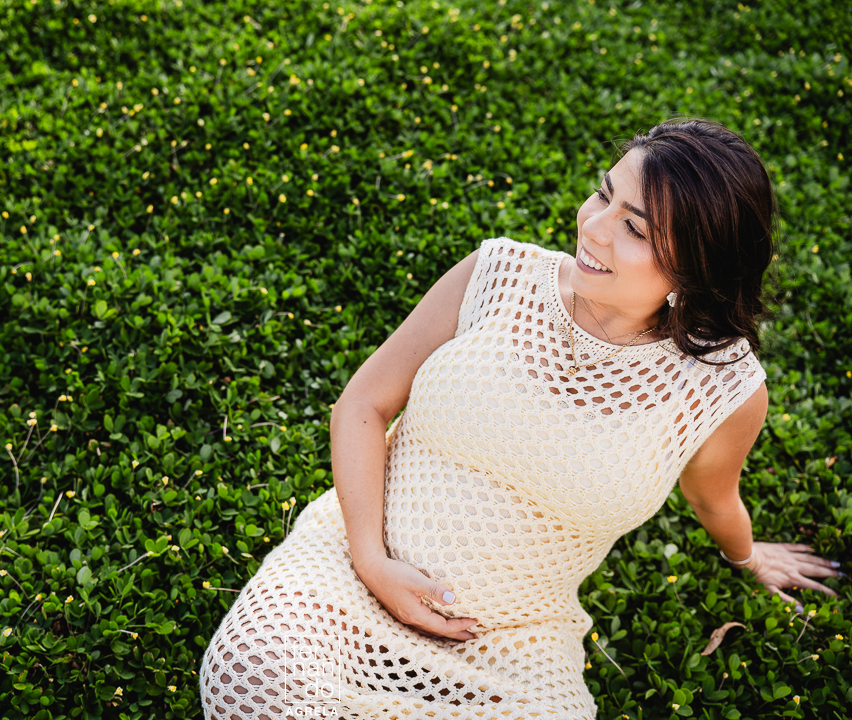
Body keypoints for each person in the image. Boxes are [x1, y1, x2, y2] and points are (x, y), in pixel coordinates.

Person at [198, 118, 843, 719]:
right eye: (603, 195)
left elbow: (714, 496)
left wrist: (746, 556)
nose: (593, 226)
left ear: (697, 269)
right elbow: (363, 405)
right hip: (356, 562)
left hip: (511, 636)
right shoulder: (497, 275)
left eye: (635, 229)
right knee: (251, 674)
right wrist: (371, 560)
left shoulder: (721, 387)